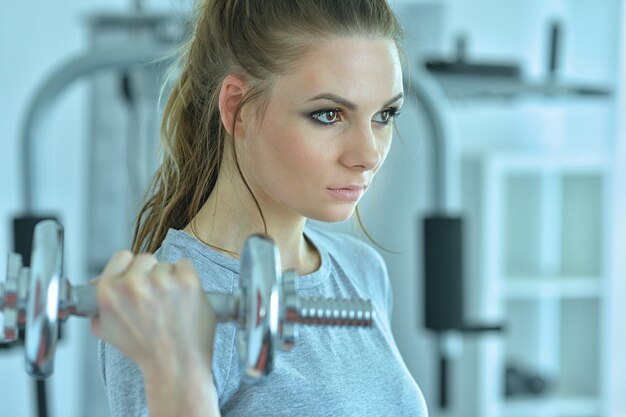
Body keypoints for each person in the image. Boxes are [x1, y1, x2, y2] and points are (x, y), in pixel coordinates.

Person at [92, 0, 428, 416]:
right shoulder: (162, 309)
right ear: (237, 107)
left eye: (384, 115)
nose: (369, 154)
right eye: (329, 114)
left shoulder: (360, 271)